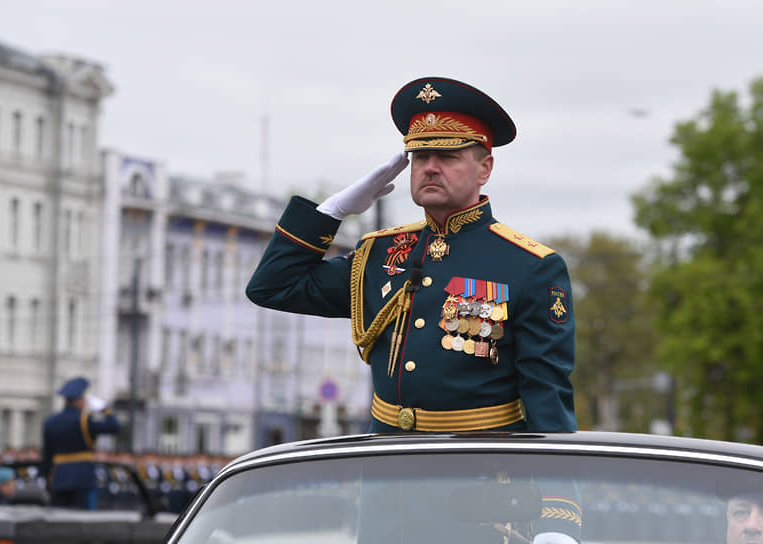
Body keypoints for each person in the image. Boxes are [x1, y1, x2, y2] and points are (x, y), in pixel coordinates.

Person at [246, 76, 576, 434]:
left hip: (480, 470)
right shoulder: (379, 254)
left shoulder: (528, 266)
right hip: (387, 469)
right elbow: (272, 287)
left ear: (485, 169)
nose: (430, 167)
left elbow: (547, 398)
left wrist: (554, 490)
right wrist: (330, 212)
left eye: (448, 156)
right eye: (420, 156)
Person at [41, 376, 120, 510]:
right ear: (79, 401)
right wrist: (105, 409)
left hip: (59, 479)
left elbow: (47, 455)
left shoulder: (50, 422)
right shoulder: (85, 420)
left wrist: (45, 478)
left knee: (57, 523)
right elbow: (114, 427)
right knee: (84, 523)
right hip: (82, 479)